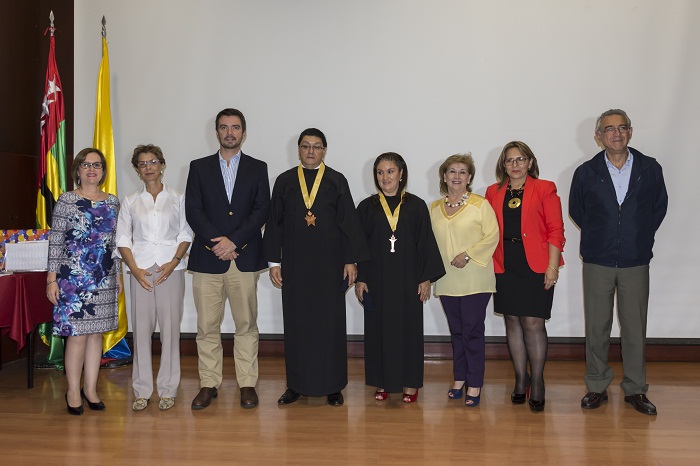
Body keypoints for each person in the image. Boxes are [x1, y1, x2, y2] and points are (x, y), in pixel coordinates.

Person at [570, 109, 668, 416]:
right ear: (599, 137)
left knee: (634, 327)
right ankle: (597, 385)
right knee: (597, 326)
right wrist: (602, 236)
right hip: (598, 260)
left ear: (630, 132)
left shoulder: (649, 168)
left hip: (635, 260)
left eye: (622, 128)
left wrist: (637, 236)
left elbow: (658, 208)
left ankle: (636, 388)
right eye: (609, 129)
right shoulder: (586, 172)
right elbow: (578, 210)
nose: (616, 133)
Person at [264, 128, 369, 407]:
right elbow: (275, 223)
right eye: (306, 146)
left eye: (317, 146)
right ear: (298, 150)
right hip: (295, 267)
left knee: (330, 326)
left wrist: (351, 261)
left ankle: (333, 385)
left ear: (324, 151)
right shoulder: (285, 181)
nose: (311, 151)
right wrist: (274, 261)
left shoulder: (336, 180)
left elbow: (348, 222)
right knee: (297, 325)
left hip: (331, 267)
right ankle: (296, 385)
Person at [185, 108, 270, 410]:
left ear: (244, 133)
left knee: (246, 324)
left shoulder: (258, 168)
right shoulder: (199, 167)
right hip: (207, 261)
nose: (230, 133)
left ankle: (247, 383)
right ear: (217, 132)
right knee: (207, 326)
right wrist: (216, 244)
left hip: (243, 258)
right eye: (224, 127)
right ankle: (209, 383)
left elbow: (261, 210)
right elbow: (193, 211)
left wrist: (234, 242)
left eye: (235, 128)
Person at [355, 152, 445, 403]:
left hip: (408, 280)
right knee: (378, 331)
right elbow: (359, 246)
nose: (385, 177)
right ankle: (382, 382)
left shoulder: (416, 205)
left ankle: (409, 383)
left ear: (401, 174)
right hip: (377, 280)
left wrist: (425, 278)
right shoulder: (366, 207)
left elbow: (425, 242)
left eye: (390, 171)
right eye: (380, 172)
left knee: (408, 331)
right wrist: (361, 278)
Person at [486, 141, 565, 413]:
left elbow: (556, 230)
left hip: (537, 264)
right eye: (510, 161)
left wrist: (552, 267)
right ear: (503, 165)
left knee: (533, 322)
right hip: (505, 263)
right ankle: (521, 379)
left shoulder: (545, 188)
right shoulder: (492, 192)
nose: (516, 165)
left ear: (530, 162)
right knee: (512, 321)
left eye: (521, 159)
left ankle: (538, 380)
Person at [116, 144, 193, 411]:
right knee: (142, 333)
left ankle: (169, 389)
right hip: (141, 271)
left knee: (170, 332)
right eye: (142, 163)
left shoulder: (179, 198)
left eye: (153, 162)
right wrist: (135, 270)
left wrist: (174, 262)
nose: (148, 167)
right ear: (137, 170)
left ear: (162, 164)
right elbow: (123, 239)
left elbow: (185, 234)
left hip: (170, 269)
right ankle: (142, 389)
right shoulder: (130, 201)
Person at [47, 148, 120, 415]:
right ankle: (73, 391)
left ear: (103, 171)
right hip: (72, 278)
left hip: (104, 277)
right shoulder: (66, 200)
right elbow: (56, 241)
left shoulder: (112, 202)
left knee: (96, 335)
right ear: (78, 170)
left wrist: (119, 274)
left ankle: (90, 389)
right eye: (86, 165)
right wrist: (51, 279)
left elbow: (115, 243)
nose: (92, 170)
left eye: (97, 165)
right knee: (77, 336)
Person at [430, 154, 499, 407]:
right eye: (452, 171)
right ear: (444, 176)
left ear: (469, 178)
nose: (457, 176)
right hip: (447, 281)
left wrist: (468, 255)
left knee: (472, 333)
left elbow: (492, 236)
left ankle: (475, 383)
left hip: (475, 279)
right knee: (456, 332)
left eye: (462, 172)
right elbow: (429, 243)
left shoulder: (481, 205)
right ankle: (459, 379)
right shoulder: (434, 208)